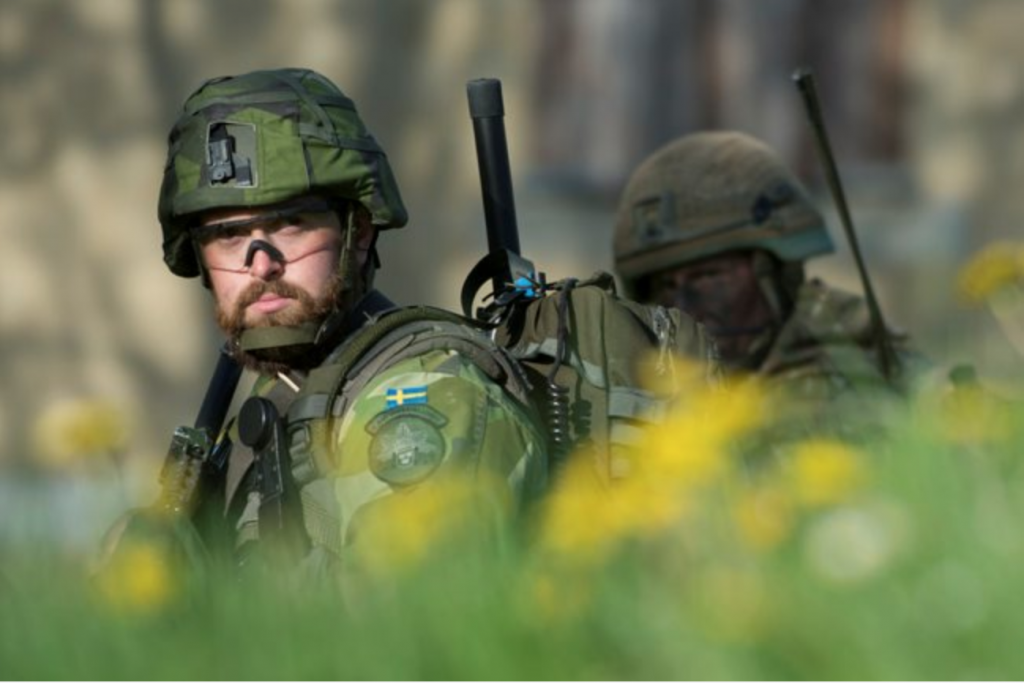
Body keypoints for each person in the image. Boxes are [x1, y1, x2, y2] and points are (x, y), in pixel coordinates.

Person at [105, 68, 547, 579]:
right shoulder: (286, 399)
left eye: (289, 225)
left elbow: (414, 635)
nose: (261, 263)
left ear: (357, 234)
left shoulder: (424, 395)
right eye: (229, 237)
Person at [612, 131, 919, 426]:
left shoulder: (863, 375)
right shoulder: (640, 397)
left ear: (774, 275)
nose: (682, 307)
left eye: (707, 277)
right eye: (666, 286)